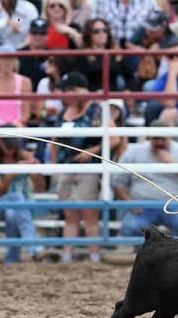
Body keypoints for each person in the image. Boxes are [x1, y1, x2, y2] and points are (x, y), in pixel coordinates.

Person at [114, 119, 178, 238]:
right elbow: (118, 182)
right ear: (149, 138)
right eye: (156, 138)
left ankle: (176, 253)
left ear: (169, 137)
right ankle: (148, 255)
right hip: (143, 205)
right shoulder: (134, 151)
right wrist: (130, 202)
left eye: (163, 139)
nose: (159, 142)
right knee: (131, 227)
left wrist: (173, 164)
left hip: (176, 204)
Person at [49, 71, 102, 263]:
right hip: (67, 165)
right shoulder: (65, 112)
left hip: (88, 167)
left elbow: (111, 138)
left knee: (89, 214)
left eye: (68, 90)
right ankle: (68, 255)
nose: (64, 95)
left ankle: (94, 256)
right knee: (70, 214)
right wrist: (55, 165)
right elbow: (54, 139)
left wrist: (91, 152)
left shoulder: (96, 109)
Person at [0, 130, 46, 263]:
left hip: (20, 207)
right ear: (0, 142)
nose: (11, 150)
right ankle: (34, 246)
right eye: (8, 146)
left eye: (13, 146)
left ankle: (12, 258)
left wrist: (36, 171)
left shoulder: (26, 157)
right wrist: (11, 175)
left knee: (12, 213)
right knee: (16, 197)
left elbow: (41, 187)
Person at [0, 44, 33, 128]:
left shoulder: (25, 82)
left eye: (10, 59)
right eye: (4, 58)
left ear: (15, 61)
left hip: (17, 129)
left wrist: (16, 126)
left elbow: (26, 114)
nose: (7, 62)